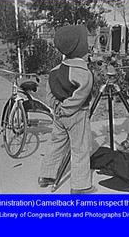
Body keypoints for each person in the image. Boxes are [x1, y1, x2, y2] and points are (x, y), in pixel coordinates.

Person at [38, 24, 96, 194]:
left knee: (56, 143)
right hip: (76, 115)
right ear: (80, 48)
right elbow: (80, 95)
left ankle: (46, 175)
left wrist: (56, 107)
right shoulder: (83, 72)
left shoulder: (55, 71)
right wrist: (66, 108)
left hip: (59, 115)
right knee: (80, 148)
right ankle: (80, 186)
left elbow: (49, 92)